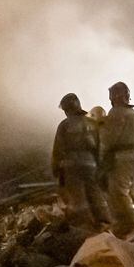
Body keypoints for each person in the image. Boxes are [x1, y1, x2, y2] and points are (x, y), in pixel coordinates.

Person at [52, 93, 109, 226]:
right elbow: (102, 145)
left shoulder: (64, 125)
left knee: (77, 198)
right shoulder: (92, 122)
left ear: (67, 109)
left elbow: (58, 150)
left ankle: (84, 226)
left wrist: (56, 170)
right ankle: (104, 222)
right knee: (95, 194)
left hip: (71, 166)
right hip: (91, 164)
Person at [100, 81, 134, 234]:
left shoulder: (116, 113)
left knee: (119, 192)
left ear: (115, 97)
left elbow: (109, 139)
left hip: (122, 158)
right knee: (133, 193)